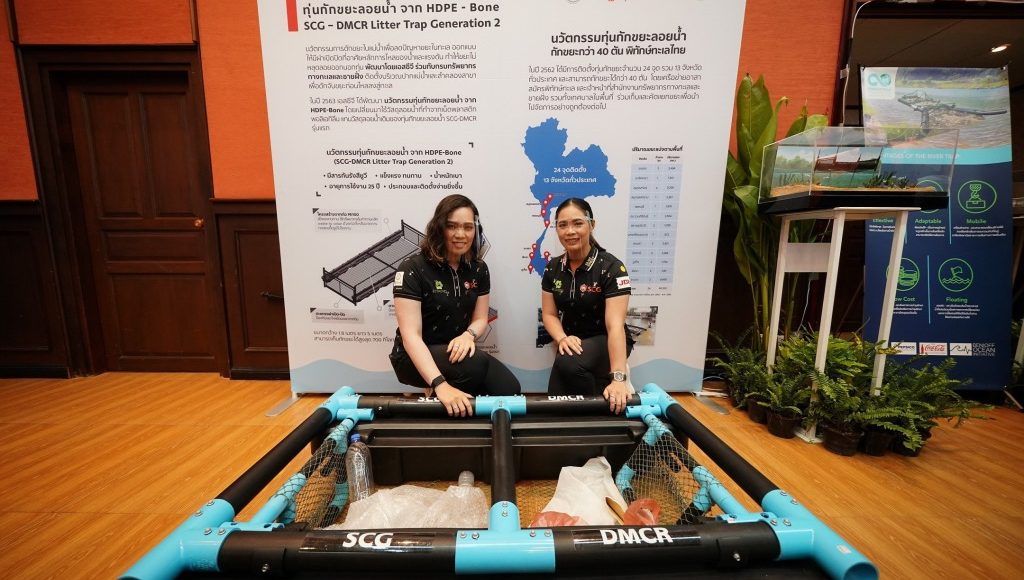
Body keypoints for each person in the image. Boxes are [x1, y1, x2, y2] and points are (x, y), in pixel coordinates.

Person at [390, 194, 521, 416]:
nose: (461, 234)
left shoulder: (479, 268)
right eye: (452, 226)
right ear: (439, 228)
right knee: (474, 365)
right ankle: (439, 410)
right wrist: (439, 383)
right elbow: (411, 336)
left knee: (510, 390)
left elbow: (480, 319)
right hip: (411, 356)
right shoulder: (412, 268)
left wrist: (468, 336)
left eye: (468, 227)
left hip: (456, 352)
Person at [541, 198, 633, 413]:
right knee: (554, 402)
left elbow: (615, 326)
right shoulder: (552, 268)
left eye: (578, 223)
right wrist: (562, 338)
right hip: (572, 344)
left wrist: (618, 378)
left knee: (569, 362)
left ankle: (605, 413)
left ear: (592, 224)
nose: (570, 231)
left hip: (606, 339)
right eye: (563, 225)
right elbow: (549, 314)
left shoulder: (612, 267)